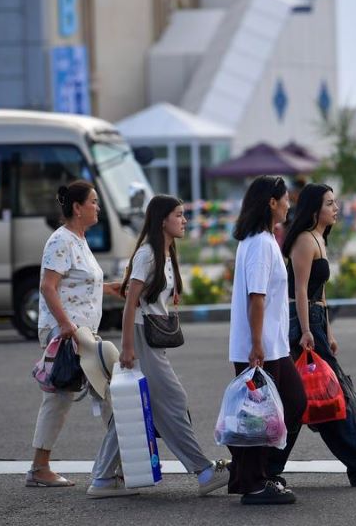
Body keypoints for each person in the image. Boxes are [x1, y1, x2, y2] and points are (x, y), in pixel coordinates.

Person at [88, 195, 229, 498]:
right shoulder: (148, 254)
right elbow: (129, 302)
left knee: (137, 410)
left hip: (150, 339)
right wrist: (127, 348)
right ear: (162, 219)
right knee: (173, 401)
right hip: (140, 338)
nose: (184, 220)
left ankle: (102, 479)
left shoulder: (164, 253)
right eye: (179, 215)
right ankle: (203, 471)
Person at [269, 183, 356, 486]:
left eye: (335, 203)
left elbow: (320, 294)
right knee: (314, 397)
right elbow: (299, 291)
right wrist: (305, 331)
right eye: (330, 204)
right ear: (315, 209)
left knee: (317, 398)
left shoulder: (319, 237)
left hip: (314, 321)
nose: (336, 209)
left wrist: (328, 331)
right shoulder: (304, 240)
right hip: (300, 322)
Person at [26, 180, 122, 487]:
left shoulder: (80, 240)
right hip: (70, 333)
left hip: (82, 332)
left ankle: (119, 462)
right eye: (93, 201)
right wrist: (66, 325)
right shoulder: (61, 240)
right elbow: (47, 286)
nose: (97, 206)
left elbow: (78, 284)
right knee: (85, 393)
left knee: (100, 393)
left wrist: (110, 288)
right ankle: (43, 468)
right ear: (77, 208)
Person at [227, 175, 307, 505]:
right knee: (259, 415)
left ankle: (261, 472)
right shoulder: (260, 242)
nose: (289, 203)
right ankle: (255, 483)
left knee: (290, 403)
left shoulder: (261, 239)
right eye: (285, 198)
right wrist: (256, 345)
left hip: (272, 345)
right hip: (260, 347)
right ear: (271, 202)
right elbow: (256, 297)